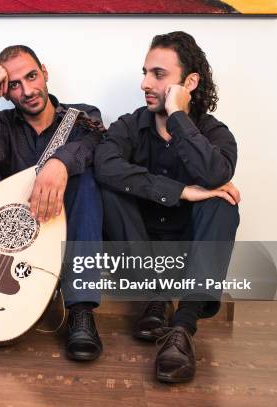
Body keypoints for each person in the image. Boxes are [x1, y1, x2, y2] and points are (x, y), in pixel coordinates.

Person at [94, 31, 240, 382]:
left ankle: (182, 328)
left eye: (159, 75)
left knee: (222, 204)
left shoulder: (214, 133)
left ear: (188, 82)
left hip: (186, 256)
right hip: (134, 254)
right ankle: (153, 295)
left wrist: (177, 114)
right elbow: (105, 164)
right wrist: (181, 191)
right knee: (108, 188)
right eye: (145, 72)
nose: (145, 83)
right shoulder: (130, 125)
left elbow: (215, 173)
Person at [0, 45, 105, 361]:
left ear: (45, 73)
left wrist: (60, 162)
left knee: (87, 179)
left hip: (58, 238)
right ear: (6, 92)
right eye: (15, 84)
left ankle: (81, 311)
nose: (28, 90)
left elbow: (93, 145)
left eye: (32, 76)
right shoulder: (1, 124)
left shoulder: (81, 116)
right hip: (5, 248)